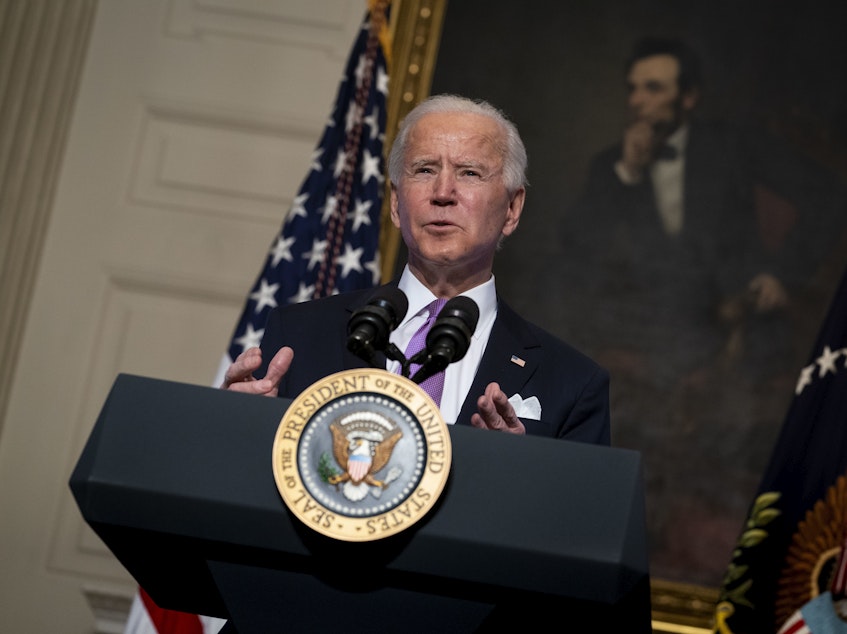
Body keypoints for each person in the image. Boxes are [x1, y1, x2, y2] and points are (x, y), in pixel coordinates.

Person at [561, 36, 847, 583]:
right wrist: (626, 174)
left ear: (688, 97)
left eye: (654, 89)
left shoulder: (734, 148)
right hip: (651, 333)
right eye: (633, 90)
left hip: (737, 327)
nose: (638, 102)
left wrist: (782, 275)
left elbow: (827, 195)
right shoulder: (612, 166)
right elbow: (577, 253)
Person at [222, 93, 611, 445]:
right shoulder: (300, 334)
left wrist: (515, 473)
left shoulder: (573, 384)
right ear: (395, 204)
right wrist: (239, 425)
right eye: (424, 170)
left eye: (469, 173)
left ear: (512, 209)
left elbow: (579, 519)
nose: (442, 193)